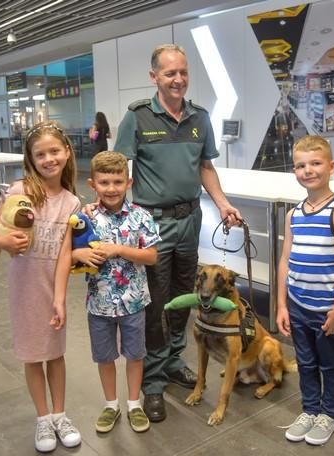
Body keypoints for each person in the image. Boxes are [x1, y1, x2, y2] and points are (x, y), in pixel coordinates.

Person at [114, 43, 242, 422]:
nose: (178, 79)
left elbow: (206, 167)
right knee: (155, 303)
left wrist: (221, 202)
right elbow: (120, 169)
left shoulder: (200, 118)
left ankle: (172, 362)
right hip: (151, 225)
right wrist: (114, 214)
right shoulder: (137, 117)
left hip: (190, 222)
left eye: (183, 72)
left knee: (187, 296)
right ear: (154, 76)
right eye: (170, 73)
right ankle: (152, 382)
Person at [0, 121, 82, 453]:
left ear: (67, 152)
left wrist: (61, 298)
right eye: (41, 154)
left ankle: (59, 415)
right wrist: (4, 242)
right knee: (32, 355)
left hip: (51, 287)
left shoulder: (71, 203)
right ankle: (42, 419)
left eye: (55, 151)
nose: (49, 159)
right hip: (24, 286)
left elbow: (65, 254)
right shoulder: (20, 191)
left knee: (55, 353)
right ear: (31, 158)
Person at [73, 151, 160, 434]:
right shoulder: (85, 218)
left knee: (135, 355)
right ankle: (111, 404)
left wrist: (119, 250)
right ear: (92, 184)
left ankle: (134, 404)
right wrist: (81, 253)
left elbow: (152, 257)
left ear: (129, 182)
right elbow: (71, 253)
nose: (111, 188)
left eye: (117, 182)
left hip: (134, 302)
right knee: (105, 356)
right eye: (104, 182)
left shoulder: (141, 216)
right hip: (99, 304)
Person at [276, 135, 334, 446]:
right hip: (297, 304)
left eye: (315, 163)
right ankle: (309, 410)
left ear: (331, 166)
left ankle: (329, 414)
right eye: (300, 165)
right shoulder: (293, 214)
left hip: (328, 308)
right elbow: (285, 259)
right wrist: (282, 304)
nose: (308, 170)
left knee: (330, 363)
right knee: (305, 362)